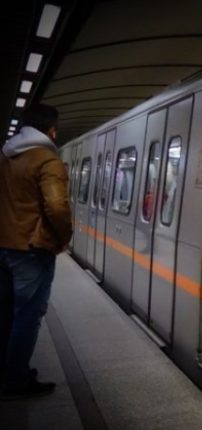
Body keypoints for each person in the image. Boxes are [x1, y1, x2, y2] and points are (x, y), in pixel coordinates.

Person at [0, 103, 72, 400]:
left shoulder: (5, 156)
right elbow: (56, 206)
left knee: (6, 313)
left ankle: (7, 371)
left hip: (4, 246)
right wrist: (64, 237)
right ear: (51, 130)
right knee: (28, 317)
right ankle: (16, 380)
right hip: (33, 249)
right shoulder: (47, 159)